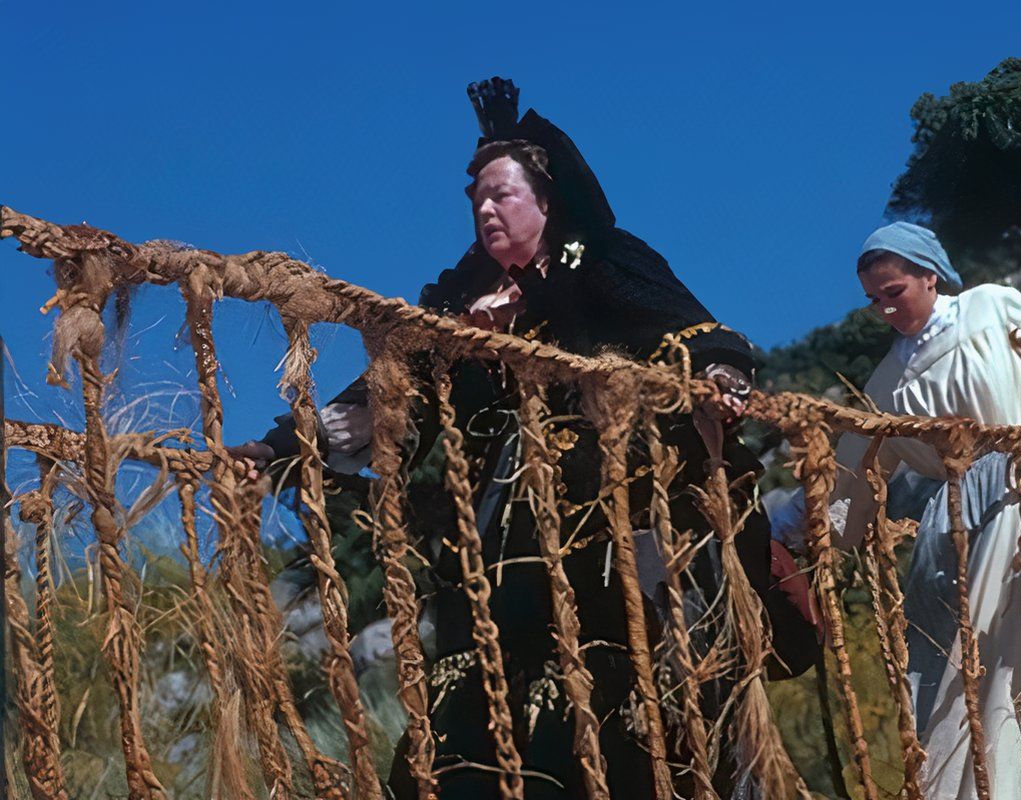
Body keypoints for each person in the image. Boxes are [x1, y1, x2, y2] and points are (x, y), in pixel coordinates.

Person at [233, 78, 813, 798]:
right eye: (476, 198)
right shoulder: (457, 301)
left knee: (621, 664)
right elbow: (389, 399)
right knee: (489, 671)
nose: (484, 208)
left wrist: (720, 376)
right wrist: (282, 448)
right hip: (504, 517)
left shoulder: (604, 262)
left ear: (546, 200)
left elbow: (695, 335)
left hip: (613, 501)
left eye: (502, 194)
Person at [827, 221, 1021, 799]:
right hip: (948, 522)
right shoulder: (886, 380)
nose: (887, 310)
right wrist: (824, 536)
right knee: (953, 663)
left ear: (929, 275)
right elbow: (853, 473)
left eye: (894, 293)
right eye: (875, 302)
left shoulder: (990, 309)